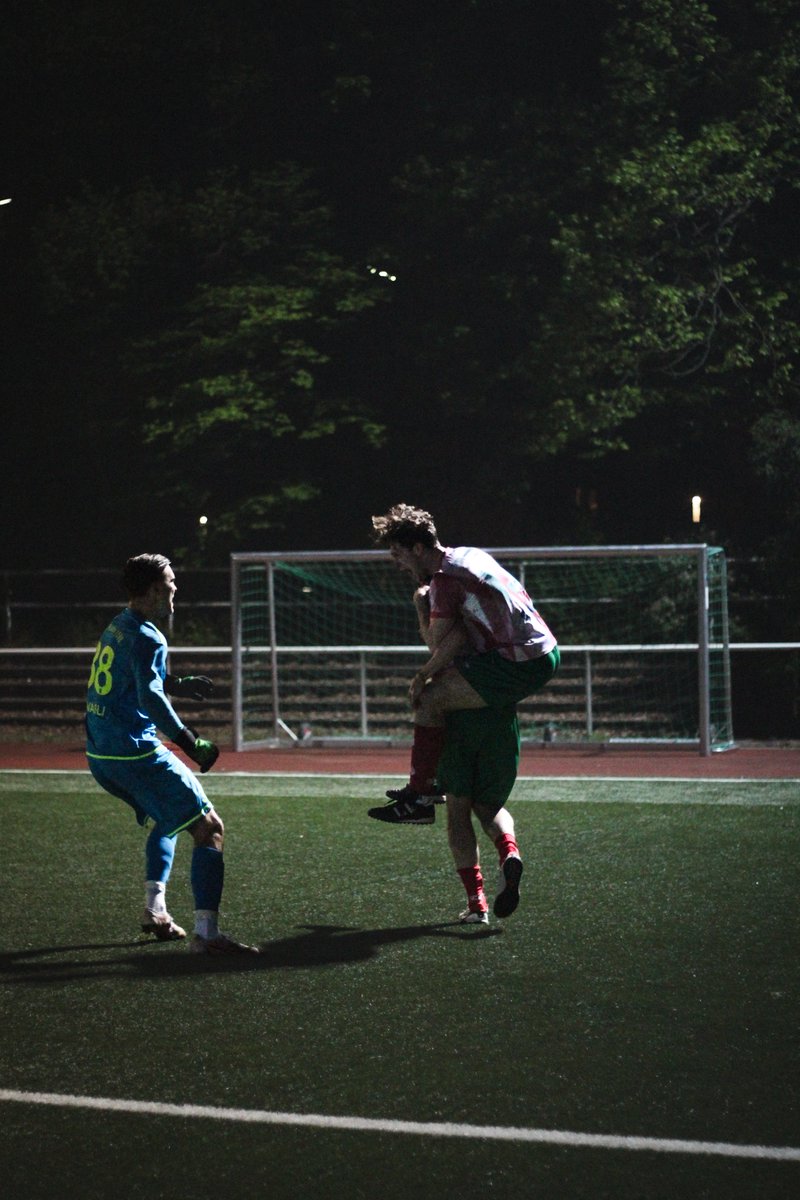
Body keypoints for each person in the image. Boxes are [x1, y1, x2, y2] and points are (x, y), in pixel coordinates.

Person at [85, 553, 257, 954]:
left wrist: (175, 682)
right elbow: (150, 696)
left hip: (102, 756)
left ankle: (156, 910)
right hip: (135, 754)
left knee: (170, 819)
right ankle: (208, 936)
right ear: (149, 591)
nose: (175, 588)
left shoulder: (119, 625)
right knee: (209, 828)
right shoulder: (150, 636)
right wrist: (190, 741)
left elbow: (139, 680)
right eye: (168, 583)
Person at [367, 503, 559, 825]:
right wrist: (424, 673)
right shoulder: (468, 555)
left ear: (417, 548)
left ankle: (421, 798)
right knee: (437, 686)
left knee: (429, 700)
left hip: (519, 661)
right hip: (542, 649)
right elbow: (457, 638)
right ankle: (427, 787)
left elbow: (437, 643)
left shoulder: (444, 580)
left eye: (398, 555)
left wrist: (418, 604)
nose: (398, 564)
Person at [438, 705, 525, 924]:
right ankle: (509, 852)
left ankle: (477, 903)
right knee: (490, 806)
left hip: (461, 722)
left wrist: (421, 677)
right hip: (502, 723)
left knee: (458, 810)